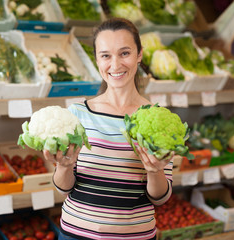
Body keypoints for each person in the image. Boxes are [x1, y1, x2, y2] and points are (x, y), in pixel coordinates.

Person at [43, 18, 175, 240]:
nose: (115, 65)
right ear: (97, 60)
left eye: (124, 53)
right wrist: (64, 167)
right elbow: (63, 189)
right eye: (105, 55)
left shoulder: (158, 119)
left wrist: (155, 171)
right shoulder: (77, 114)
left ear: (139, 54)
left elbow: (160, 198)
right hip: (76, 234)